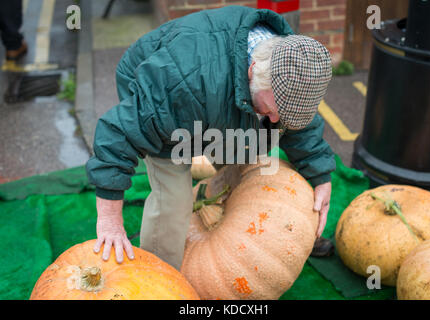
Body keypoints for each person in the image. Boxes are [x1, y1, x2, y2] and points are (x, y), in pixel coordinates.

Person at [86, 5, 336, 270]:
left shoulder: (293, 65)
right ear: (252, 71)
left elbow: (295, 120)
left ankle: (274, 233)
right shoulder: (180, 84)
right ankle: (159, 272)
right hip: (162, 93)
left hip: (215, 95)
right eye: (273, 110)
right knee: (174, 199)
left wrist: (320, 175)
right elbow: (117, 133)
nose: (275, 120)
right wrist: (110, 220)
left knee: (250, 158)